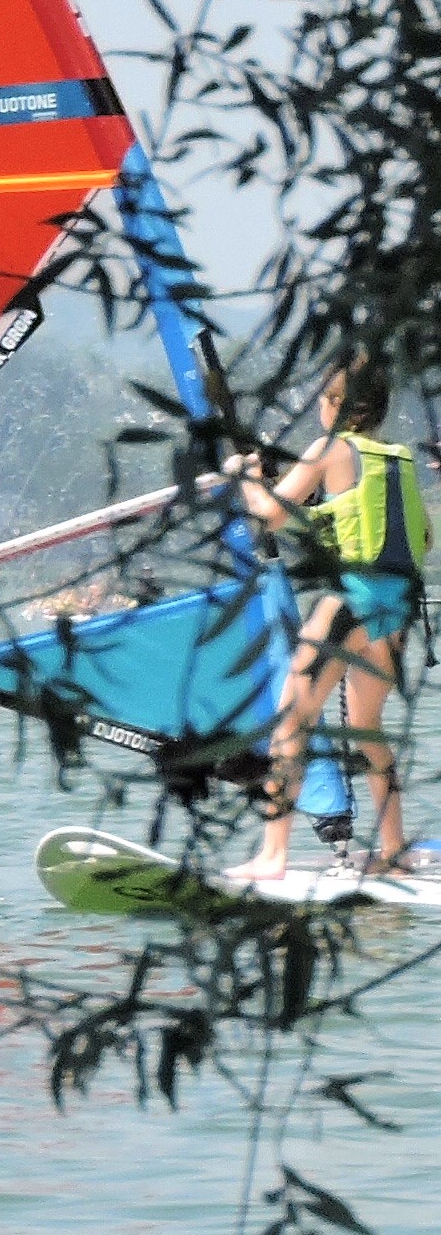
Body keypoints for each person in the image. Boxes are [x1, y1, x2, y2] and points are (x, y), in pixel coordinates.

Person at [236, 353, 431, 881]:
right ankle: (391, 851)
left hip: (349, 604)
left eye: (325, 399)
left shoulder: (329, 448)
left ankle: (272, 857)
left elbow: (270, 513)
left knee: (291, 720)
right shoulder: (399, 459)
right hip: (397, 612)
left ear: (340, 405)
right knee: (368, 728)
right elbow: (422, 537)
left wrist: (248, 475)